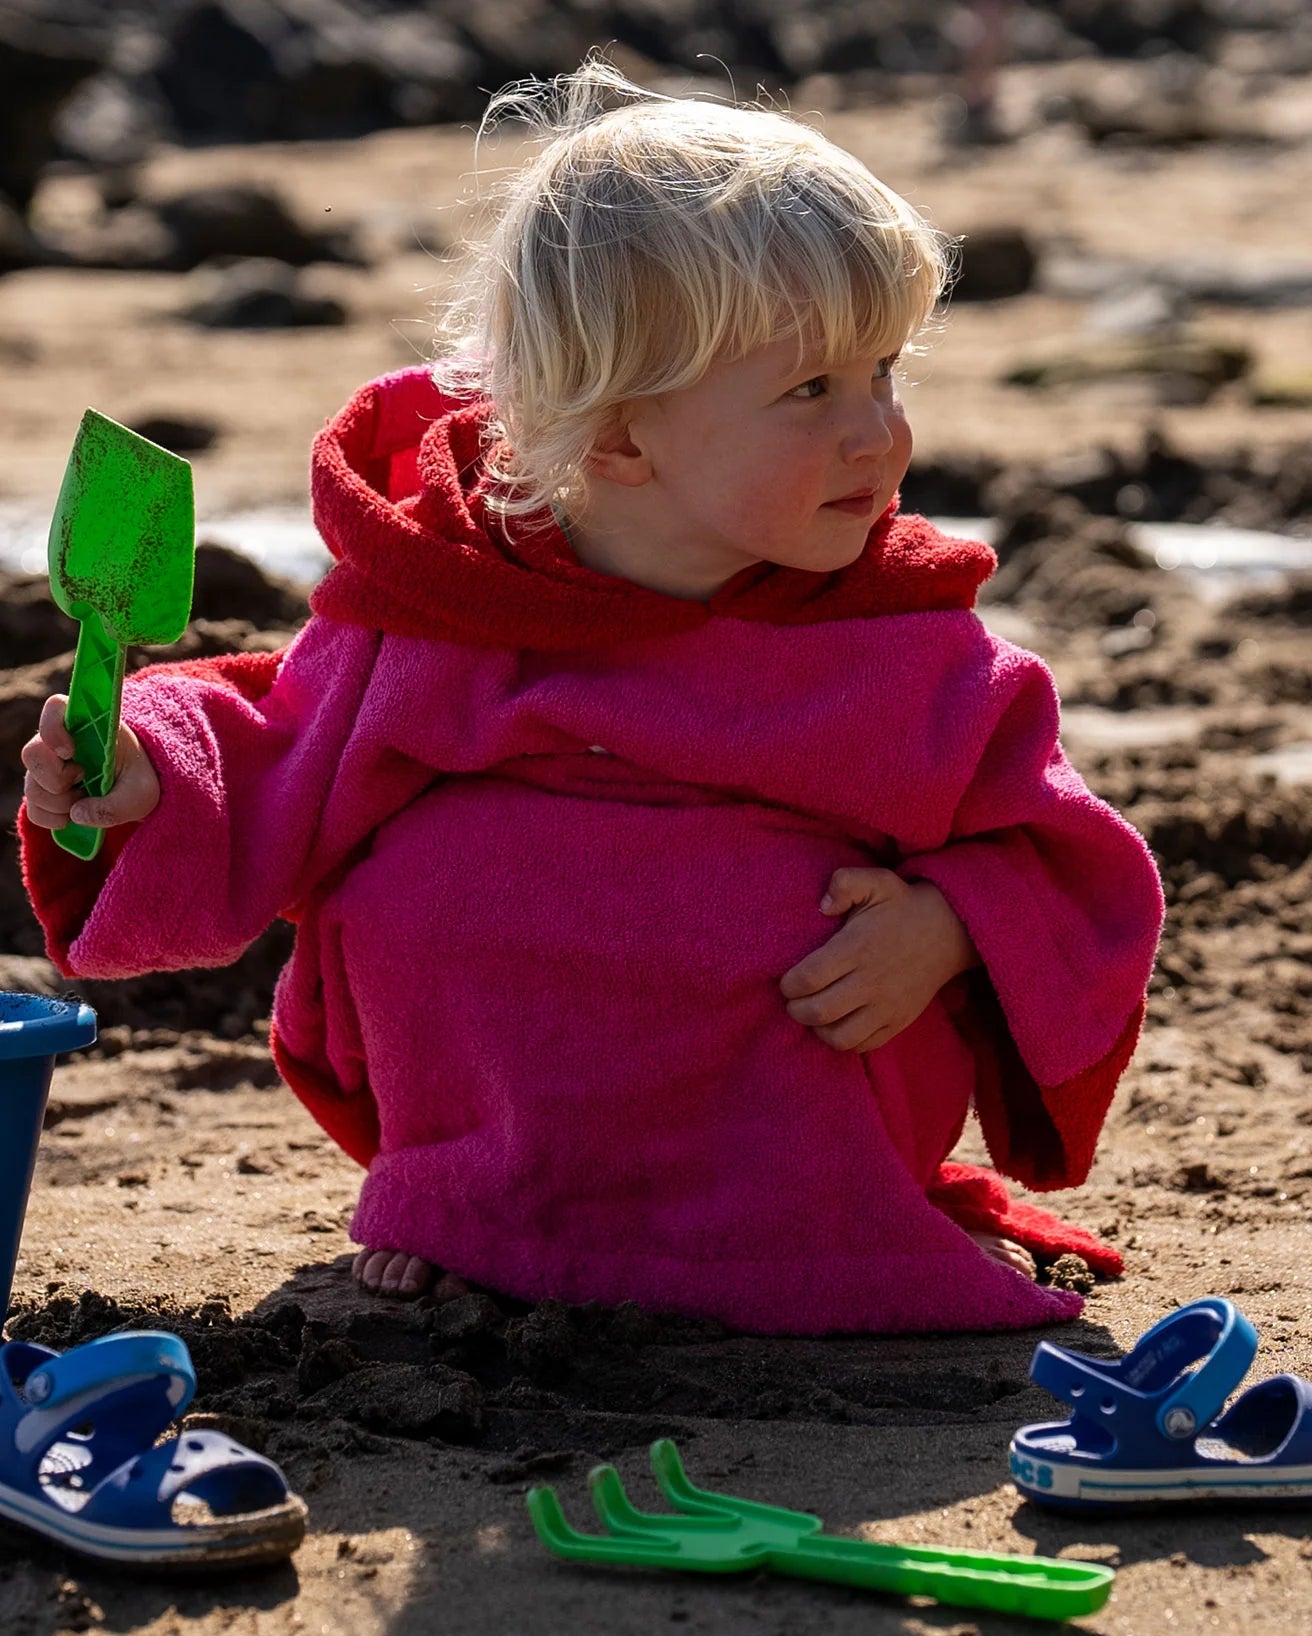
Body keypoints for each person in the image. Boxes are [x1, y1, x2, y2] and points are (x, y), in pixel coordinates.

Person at [19, 60, 1162, 1336]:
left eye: (883, 373)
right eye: (810, 392)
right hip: (495, 1121)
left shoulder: (888, 633)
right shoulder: (451, 595)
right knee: (410, 872)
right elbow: (282, 739)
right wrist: (139, 776)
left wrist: (950, 923)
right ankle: (462, 1198)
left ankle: (786, 1235)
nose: (876, 434)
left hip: (795, 1140)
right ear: (619, 439)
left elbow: (1066, 860)